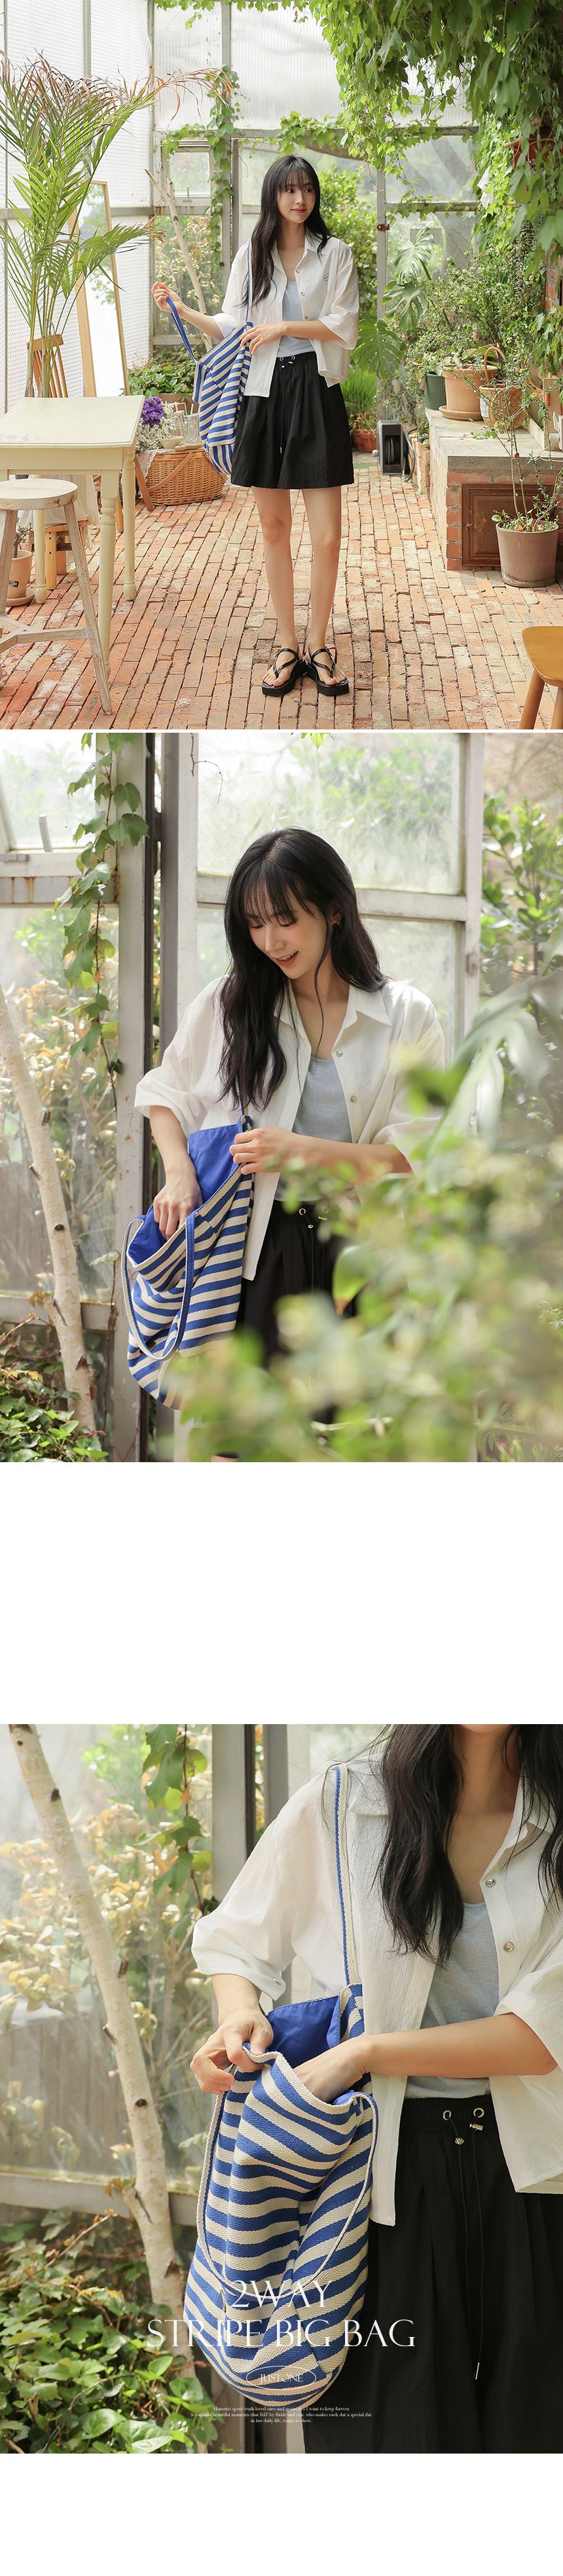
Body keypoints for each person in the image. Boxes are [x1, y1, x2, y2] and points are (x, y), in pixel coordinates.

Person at [189, 1723, 563, 2454]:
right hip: (373, 2179)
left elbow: (539, 2035)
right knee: (389, 2440)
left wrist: (362, 2052)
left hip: (532, 2175)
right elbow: (237, 1939)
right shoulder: (345, 1804)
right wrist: (238, 2017)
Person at [134, 828, 446, 1366]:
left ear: (334, 911)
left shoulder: (406, 1016)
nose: (271, 942)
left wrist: (301, 1152)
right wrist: (178, 1174)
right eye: (255, 924)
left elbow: (417, 1153)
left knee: (356, 1416)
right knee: (247, 1417)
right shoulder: (231, 1003)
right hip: (256, 1253)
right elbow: (166, 1092)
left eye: (285, 920)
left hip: (361, 1255)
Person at [152, 155, 359, 699]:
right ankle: (288, 645)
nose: (300, 199)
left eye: (307, 189)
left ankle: (319, 644)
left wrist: (282, 327)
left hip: (316, 390)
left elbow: (344, 325)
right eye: (289, 190)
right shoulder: (252, 255)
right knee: (273, 528)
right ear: (273, 196)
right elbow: (231, 324)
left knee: (328, 535)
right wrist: (184, 310)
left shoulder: (334, 253)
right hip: (263, 394)